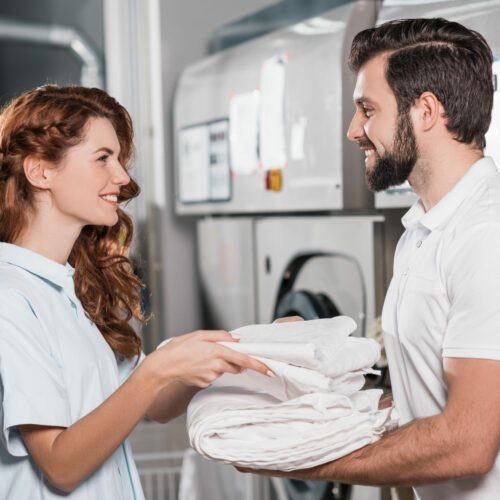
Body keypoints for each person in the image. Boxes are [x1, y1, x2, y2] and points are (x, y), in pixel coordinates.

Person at [242, 17, 500, 500]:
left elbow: (469, 443)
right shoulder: (423, 229)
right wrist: (314, 380)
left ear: (425, 111)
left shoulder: (486, 235)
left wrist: (308, 460)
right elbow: (420, 405)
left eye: (367, 109)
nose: (353, 130)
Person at [0, 85, 274, 499]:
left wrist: (255, 347)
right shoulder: (10, 298)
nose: (123, 178)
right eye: (102, 159)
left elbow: (156, 403)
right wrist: (158, 368)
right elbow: (61, 465)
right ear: (41, 172)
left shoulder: (69, 289)